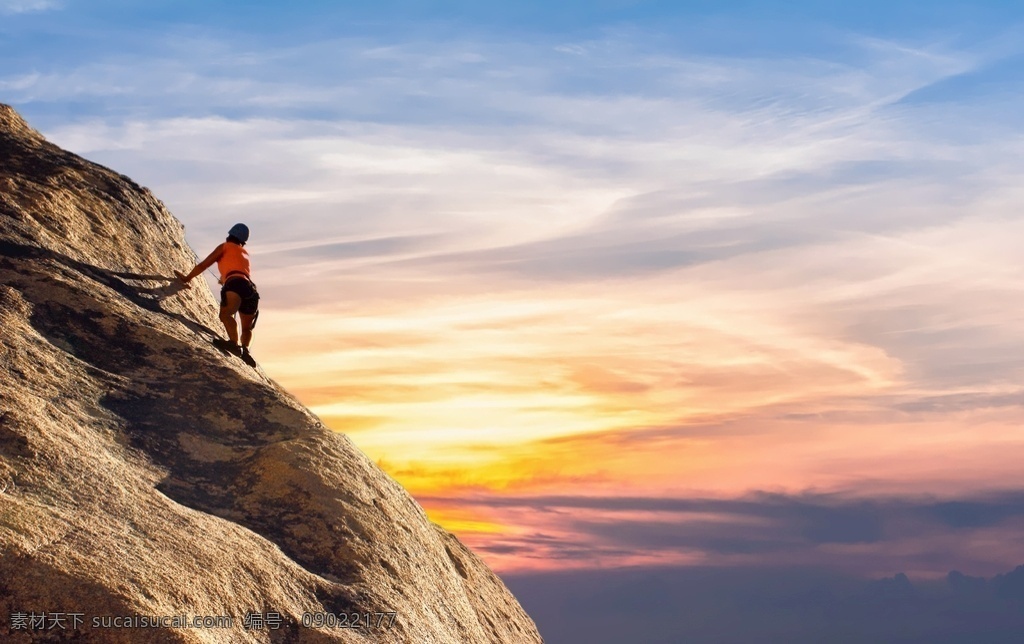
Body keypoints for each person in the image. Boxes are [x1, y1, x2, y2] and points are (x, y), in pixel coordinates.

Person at [176, 223, 260, 357]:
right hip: (251, 290)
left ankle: (233, 343)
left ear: (230, 235)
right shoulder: (245, 254)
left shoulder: (224, 247)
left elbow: (204, 265)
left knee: (226, 315)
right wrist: (224, 278)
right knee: (246, 327)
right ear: (243, 241)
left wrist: (187, 278)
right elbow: (238, 270)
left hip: (235, 284)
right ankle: (246, 351)